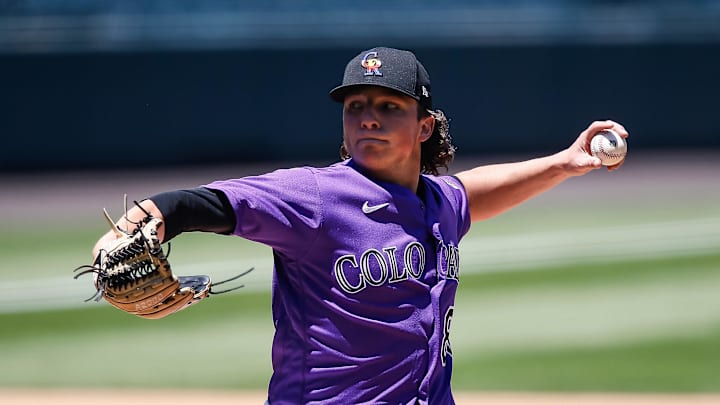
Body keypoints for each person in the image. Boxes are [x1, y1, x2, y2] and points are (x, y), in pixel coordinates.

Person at [92, 46, 628, 404]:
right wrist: (141, 223)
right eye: (356, 106)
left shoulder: (438, 202)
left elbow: (474, 191)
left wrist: (565, 161)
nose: (368, 116)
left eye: (388, 106)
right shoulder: (316, 196)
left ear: (425, 126)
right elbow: (199, 204)